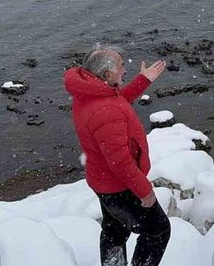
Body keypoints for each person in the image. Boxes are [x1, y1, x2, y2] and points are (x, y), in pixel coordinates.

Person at [64, 44, 169, 266]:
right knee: (158, 231)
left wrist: (143, 80)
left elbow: (115, 99)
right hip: (120, 187)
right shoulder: (105, 111)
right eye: (121, 67)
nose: (125, 70)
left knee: (114, 232)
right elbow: (120, 163)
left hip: (103, 182)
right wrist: (145, 192)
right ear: (108, 74)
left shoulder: (89, 92)